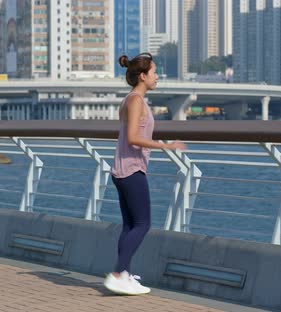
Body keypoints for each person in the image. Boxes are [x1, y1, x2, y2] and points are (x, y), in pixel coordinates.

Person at [103, 52, 186, 295]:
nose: (157, 76)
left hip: (123, 169)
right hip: (131, 169)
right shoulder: (136, 100)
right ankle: (119, 273)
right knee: (142, 224)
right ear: (143, 75)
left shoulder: (130, 99)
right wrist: (166, 145)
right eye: (154, 72)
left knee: (130, 225)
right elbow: (132, 138)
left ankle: (124, 275)